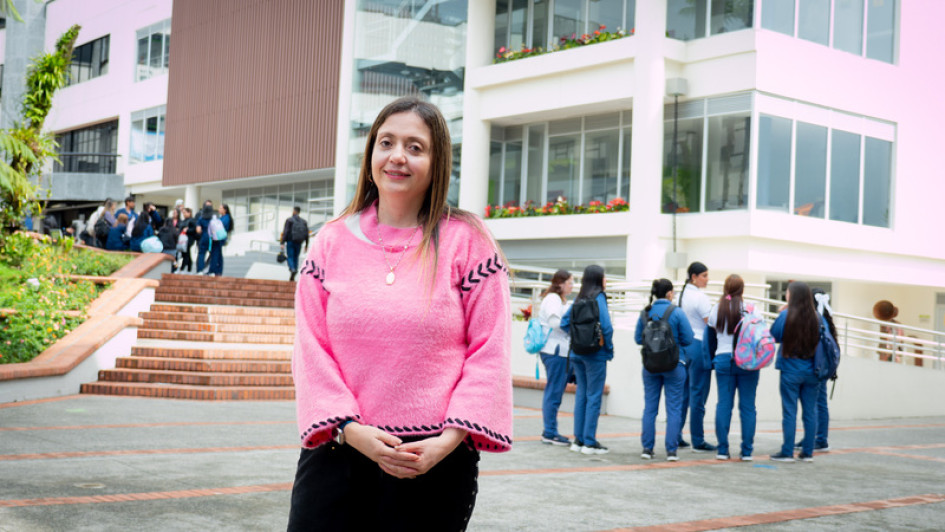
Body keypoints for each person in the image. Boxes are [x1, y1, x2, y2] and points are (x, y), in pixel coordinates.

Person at [287, 96, 512, 531]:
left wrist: (444, 443)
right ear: (370, 152)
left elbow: (490, 350)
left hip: (434, 463)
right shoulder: (331, 242)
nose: (397, 157)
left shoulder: (468, 242)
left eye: (415, 146)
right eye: (386, 142)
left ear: (437, 160)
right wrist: (352, 432)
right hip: (337, 453)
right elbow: (310, 347)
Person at [770, 281, 832, 462]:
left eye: (788, 293)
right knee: (810, 412)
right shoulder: (818, 318)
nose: (786, 296)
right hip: (813, 371)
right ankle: (808, 452)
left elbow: (773, 336)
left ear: (793, 296)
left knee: (790, 412)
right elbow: (825, 340)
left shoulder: (785, 315)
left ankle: (787, 452)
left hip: (790, 370)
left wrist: (782, 312)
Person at [635, 278, 693, 461]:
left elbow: (638, 339)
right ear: (669, 293)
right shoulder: (677, 312)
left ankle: (647, 448)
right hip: (674, 364)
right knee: (674, 407)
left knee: (650, 407)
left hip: (650, 365)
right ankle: (671, 450)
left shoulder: (645, 313)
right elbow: (689, 338)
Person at [560, 264, 614, 455]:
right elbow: (606, 327)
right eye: (604, 277)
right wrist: (607, 346)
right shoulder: (599, 297)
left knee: (582, 395)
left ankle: (578, 440)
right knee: (594, 396)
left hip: (577, 352)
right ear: (598, 279)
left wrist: (578, 337)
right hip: (595, 355)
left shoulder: (579, 297)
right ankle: (589, 442)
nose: (606, 280)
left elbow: (564, 322)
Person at [707, 274, 761, 461]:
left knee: (724, 404)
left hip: (724, 360)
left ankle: (722, 450)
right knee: (748, 407)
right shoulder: (752, 309)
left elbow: (711, 333)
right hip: (747, 362)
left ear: (725, 288)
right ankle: (747, 451)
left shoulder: (717, 308)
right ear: (742, 290)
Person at [677, 261, 717, 453]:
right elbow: (711, 323)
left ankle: (676, 435)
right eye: (704, 276)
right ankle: (698, 440)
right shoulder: (700, 297)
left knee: (683, 394)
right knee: (698, 394)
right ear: (694, 277)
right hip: (699, 345)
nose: (707, 279)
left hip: (684, 346)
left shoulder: (682, 294)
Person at [537, 269, 574, 446]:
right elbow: (555, 323)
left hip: (558, 351)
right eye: (570, 282)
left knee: (555, 391)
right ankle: (550, 432)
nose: (572, 286)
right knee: (554, 392)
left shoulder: (558, 299)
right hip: (555, 351)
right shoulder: (553, 299)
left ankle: (550, 431)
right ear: (560, 283)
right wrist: (573, 326)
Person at [281, 206, 310, 281]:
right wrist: (306, 245)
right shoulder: (304, 221)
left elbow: (286, 231)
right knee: (296, 257)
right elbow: (307, 234)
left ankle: (292, 269)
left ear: (294, 211)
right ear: (299, 212)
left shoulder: (289, 220)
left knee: (290, 256)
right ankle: (295, 270)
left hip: (290, 241)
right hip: (299, 242)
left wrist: (282, 242)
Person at [207, 203, 232, 277]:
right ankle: (218, 271)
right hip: (217, 238)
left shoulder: (226, 218)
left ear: (225, 210)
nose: (219, 209)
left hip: (219, 238)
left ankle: (214, 270)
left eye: (221, 208)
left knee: (216, 254)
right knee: (218, 255)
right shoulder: (222, 217)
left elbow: (220, 227)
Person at [195, 201, 214, 274]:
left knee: (201, 253)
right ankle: (211, 270)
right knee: (213, 254)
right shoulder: (213, 218)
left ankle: (200, 270)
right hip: (212, 237)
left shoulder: (201, 218)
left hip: (204, 236)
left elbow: (198, 230)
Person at [178, 207, 197, 273]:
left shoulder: (192, 220)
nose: (184, 214)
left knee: (186, 254)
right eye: (183, 213)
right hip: (183, 239)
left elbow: (194, 229)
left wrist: (187, 230)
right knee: (186, 254)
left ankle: (183, 268)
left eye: (185, 212)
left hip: (188, 239)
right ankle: (188, 268)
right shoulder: (183, 221)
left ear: (189, 213)